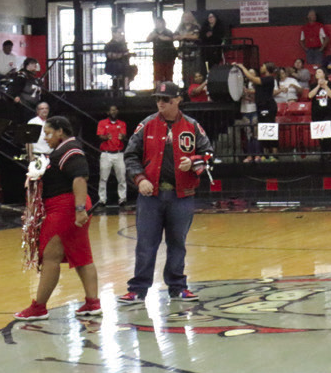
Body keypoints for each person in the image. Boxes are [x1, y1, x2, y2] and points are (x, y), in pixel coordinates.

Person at [119, 81, 212, 303]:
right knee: (145, 243)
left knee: (177, 242)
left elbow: (208, 153)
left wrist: (193, 162)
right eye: (158, 99)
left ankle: (178, 287)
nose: (161, 103)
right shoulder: (146, 125)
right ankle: (138, 289)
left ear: (177, 100)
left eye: (166, 99)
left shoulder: (192, 126)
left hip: (182, 196)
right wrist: (140, 179)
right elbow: (130, 155)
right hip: (150, 196)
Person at [14, 115, 102, 320]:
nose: (45, 138)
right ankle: (92, 303)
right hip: (66, 207)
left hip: (66, 208)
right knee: (82, 255)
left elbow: (80, 179)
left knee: (50, 256)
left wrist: (80, 209)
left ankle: (39, 307)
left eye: (48, 133)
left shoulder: (71, 150)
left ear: (61, 131)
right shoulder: (64, 150)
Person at [94, 105, 128, 208]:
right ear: (108, 112)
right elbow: (100, 136)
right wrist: (105, 137)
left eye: (115, 110)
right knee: (103, 178)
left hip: (118, 153)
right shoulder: (102, 123)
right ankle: (102, 199)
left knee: (121, 177)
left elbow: (124, 135)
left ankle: (122, 199)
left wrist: (123, 137)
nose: (114, 111)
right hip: (106, 153)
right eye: (112, 110)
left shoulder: (122, 123)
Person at [307, 67, 331, 157]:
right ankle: (323, 152)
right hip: (317, 113)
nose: (317, 74)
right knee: (320, 134)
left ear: (324, 74)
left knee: (328, 133)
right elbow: (310, 96)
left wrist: (325, 86)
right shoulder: (313, 85)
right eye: (316, 73)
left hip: (329, 112)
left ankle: (329, 151)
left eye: (319, 72)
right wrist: (318, 86)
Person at [175, 10, 202, 82]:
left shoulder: (196, 27)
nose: (186, 19)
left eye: (188, 17)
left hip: (195, 54)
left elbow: (196, 36)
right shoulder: (180, 27)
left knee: (195, 73)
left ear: (191, 18)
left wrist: (183, 36)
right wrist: (188, 35)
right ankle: (187, 89)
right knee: (185, 73)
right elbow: (174, 37)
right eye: (185, 17)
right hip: (184, 54)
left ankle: (194, 88)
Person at [150, 17, 176, 85]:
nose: (157, 24)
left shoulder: (168, 32)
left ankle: (167, 91)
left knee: (168, 75)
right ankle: (158, 90)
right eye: (156, 23)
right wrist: (154, 35)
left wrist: (159, 37)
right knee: (158, 76)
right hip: (158, 57)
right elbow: (147, 39)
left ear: (163, 23)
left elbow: (170, 38)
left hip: (168, 57)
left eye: (158, 22)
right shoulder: (153, 32)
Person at [105, 28, 131, 94]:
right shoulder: (109, 45)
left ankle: (125, 86)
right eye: (119, 33)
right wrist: (122, 55)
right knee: (125, 68)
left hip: (122, 64)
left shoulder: (123, 45)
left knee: (132, 68)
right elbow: (111, 56)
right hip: (112, 65)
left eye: (121, 33)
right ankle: (125, 88)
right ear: (113, 33)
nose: (120, 34)